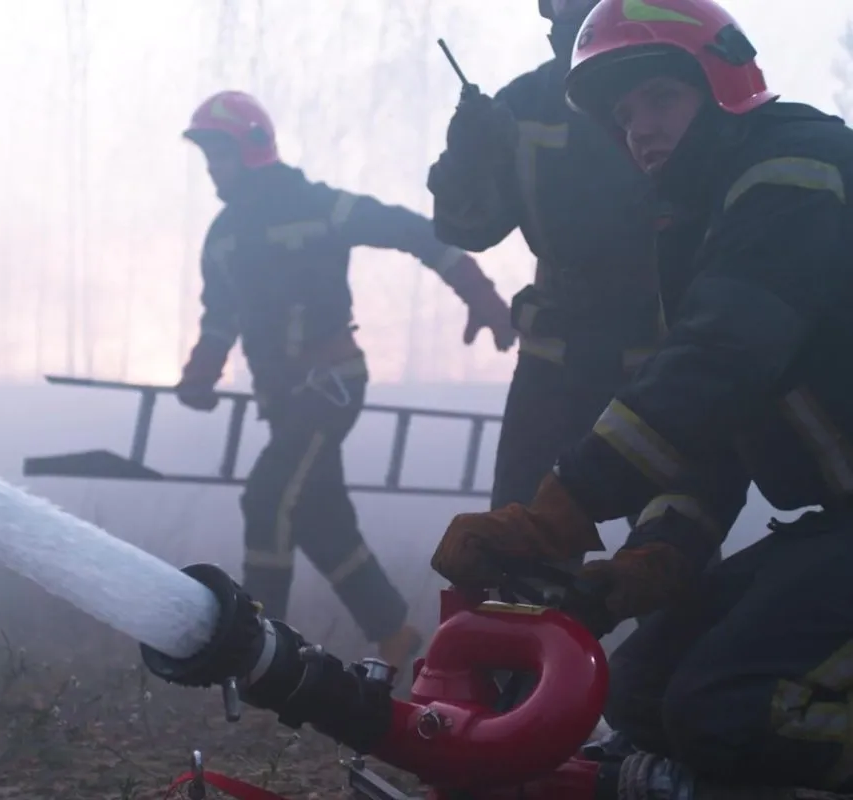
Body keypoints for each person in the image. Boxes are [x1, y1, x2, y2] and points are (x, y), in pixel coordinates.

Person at [429, 0, 853, 792]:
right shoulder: (701, 219)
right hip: (837, 525)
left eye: (660, 98)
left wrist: (567, 505)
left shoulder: (794, 170)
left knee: (726, 711)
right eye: (624, 116)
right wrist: (654, 559)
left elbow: (719, 361)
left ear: (723, 84)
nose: (640, 130)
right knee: (641, 695)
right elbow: (719, 434)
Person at [175, 89, 515, 671]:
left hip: (330, 386)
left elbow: (416, 232)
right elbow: (219, 317)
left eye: (219, 154)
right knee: (319, 515)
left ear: (252, 148)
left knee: (268, 497)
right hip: (282, 403)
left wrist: (480, 295)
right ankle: (396, 634)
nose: (212, 169)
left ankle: (254, 648)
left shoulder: (318, 206)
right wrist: (201, 371)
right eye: (207, 156)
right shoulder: (223, 236)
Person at [426, 0, 677, 565]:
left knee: (668, 552)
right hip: (552, 366)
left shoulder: (663, 92)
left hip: (658, 365)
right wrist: (465, 161)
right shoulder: (522, 107)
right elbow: (467, 229)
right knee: (515, 550)